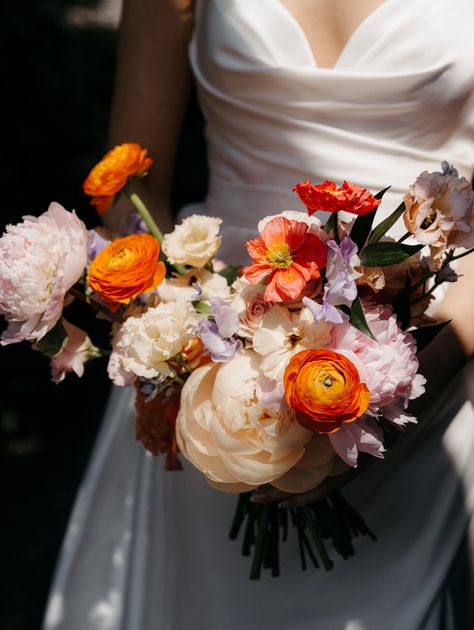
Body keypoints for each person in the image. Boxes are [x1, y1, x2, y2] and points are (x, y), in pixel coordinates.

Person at [43, 1, 474, 628]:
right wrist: (170, 330)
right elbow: (132, 186)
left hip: (425, 356)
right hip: (210, 359)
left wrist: (406, 382)